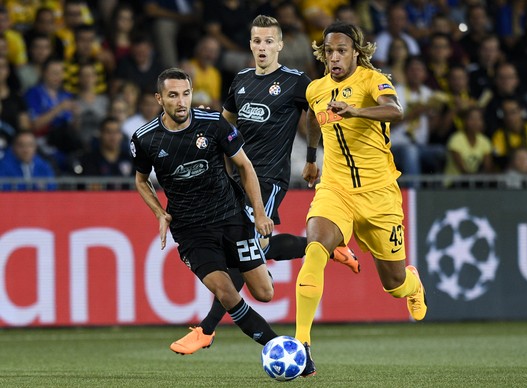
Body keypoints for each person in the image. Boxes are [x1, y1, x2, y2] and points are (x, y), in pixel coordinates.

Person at [178, 14, 360, 357]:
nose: (262, 47)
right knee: (252, 250)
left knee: (240, 251)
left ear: (279, 45)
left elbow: (314, 112)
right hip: (236, 178)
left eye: (268, 42)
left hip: (270, 180)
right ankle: (322, 246)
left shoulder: (295, 81)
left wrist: (310, 157)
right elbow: (226, 122)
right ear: (250, 45)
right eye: (256, 41)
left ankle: (206, 329)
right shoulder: (242, 80)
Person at [296, 21, 427, 377]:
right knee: (314, 248)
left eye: (341, 50)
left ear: (356, 52)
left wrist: (357, 111)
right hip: (335, 189)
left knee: (394, 286)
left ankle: (412, 283)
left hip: (380, 195)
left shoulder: (373, 80)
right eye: (329, 51)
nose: (334, 57)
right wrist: (311, 159)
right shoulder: (316, 89)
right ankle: (302, 347)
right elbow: (312, 118)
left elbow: (395, 110)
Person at [131, 67, 280, 355]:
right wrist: (159, 213)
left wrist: (260, 213)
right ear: (159, 99)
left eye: (185, 94)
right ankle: (277, 347)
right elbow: (140, 180)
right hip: (191, 231)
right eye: (173, 95)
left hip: (231, 217)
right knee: (226, 291)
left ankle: (266, 248)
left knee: (265, 293)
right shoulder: (145, 139)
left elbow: (245, 166)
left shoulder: (213, 124)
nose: (181, 102)